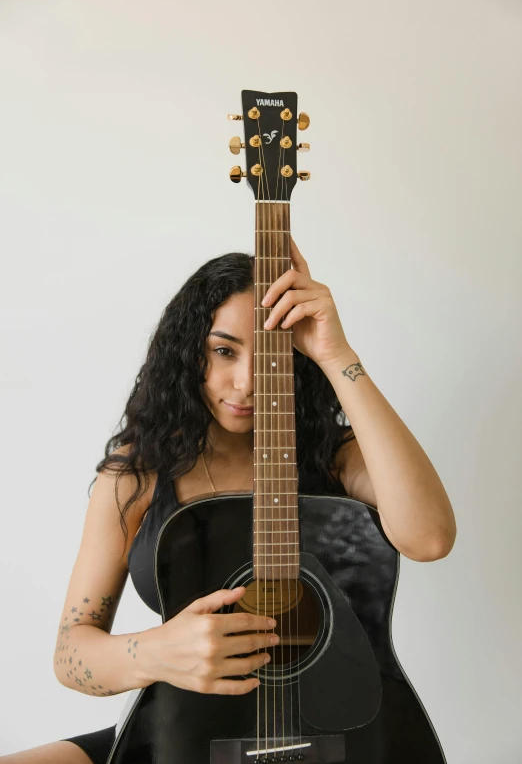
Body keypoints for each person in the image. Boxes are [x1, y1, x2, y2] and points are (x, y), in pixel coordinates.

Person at [2, 241, 456, 763]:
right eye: (224, 351)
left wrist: (337, 355)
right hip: (186, 739)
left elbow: (430, 538)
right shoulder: (139, 474)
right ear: (189, 351)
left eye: (273, 355)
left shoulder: (336, 458)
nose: (247, 383)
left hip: (343, 742)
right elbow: (70, 653)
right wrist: (159, 651)